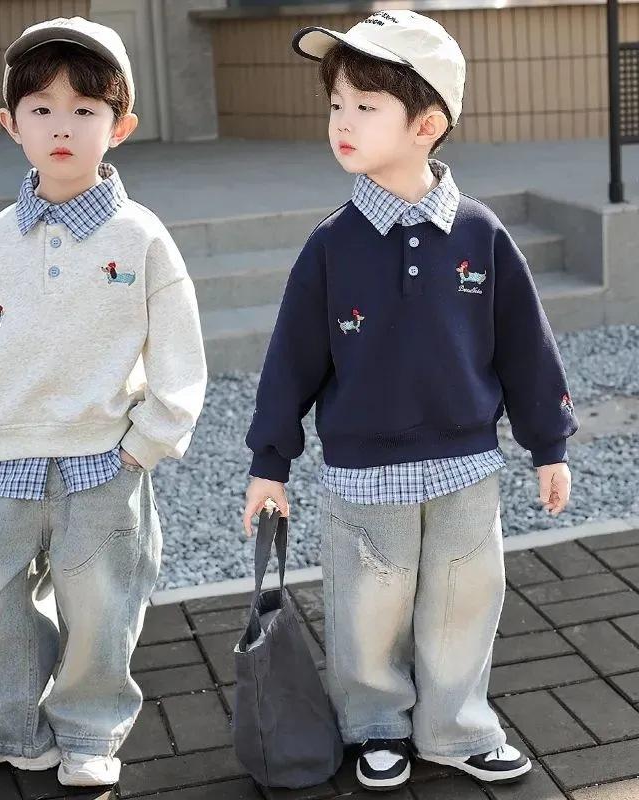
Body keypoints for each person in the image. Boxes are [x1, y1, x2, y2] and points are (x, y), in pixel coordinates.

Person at [243, 10, 577, 792]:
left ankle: (456, 727)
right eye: (336, 104)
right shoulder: (331, 245)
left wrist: (549, 445)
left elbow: (526, 348)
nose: (342, 121)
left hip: (467, 468)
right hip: (363, 476)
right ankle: (374, 724)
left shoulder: (482, 235)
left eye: (366, 105)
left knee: (464, 602)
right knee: (368, 607)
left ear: (426, 125)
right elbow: (291, 360)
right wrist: (270, 462)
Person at [0, 17, 207, 789]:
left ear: (121, 127)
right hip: (2, 461)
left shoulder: (141, 237)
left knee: (102, 605)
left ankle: (88, 733)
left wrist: (144, 446)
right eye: (41, 108)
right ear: (10, 123)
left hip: (103, 461)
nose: (62, 126)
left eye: (85, 109)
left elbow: (179, 353)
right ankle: (3, 725)